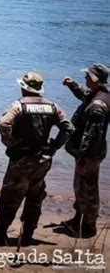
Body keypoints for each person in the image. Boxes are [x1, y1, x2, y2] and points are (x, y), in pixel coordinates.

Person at [0, 72, 73, 246]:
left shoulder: (19, 105)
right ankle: (27, 234)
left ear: (24, 87)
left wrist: (11, 144)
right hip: (42, 159)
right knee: (35, 196)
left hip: (21, 158)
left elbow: (3, 123)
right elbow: (68, 127)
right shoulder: (52, 106)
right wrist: (54, 147)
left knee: (10, 196)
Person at [59, 63, 109, 238]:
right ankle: (77, 219)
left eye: (87, 76)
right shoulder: (98, 94)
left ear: (94, 79)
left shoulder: (98, 105)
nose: (85, 78)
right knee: (80, 186)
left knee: (87, 189)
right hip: (88, 153)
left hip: (89, 154)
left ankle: (88, 226)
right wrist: (72, 85)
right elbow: (84, 95)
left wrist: (83, 159)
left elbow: (92, 136)